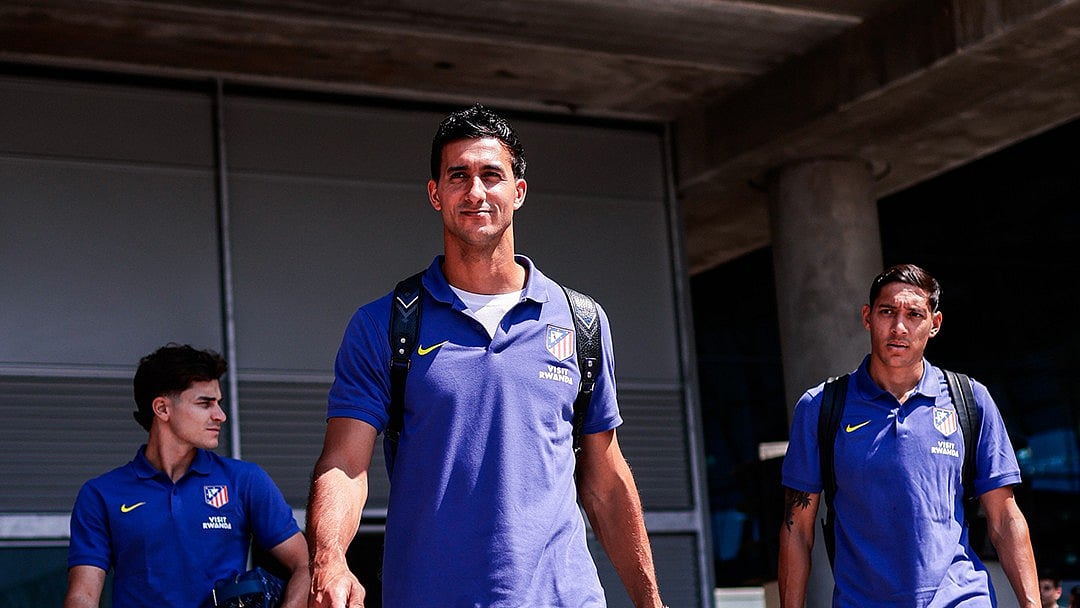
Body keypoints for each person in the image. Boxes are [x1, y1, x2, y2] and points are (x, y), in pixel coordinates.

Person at [306, 104, 665, 608]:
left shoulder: (581, 321)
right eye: (458, 176)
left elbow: (605, 480)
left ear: (517, 192)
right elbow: (345, 463)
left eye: (491, 175)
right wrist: (329, 559)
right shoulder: (383, 326)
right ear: (436, 194)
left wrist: (650, 600)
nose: (475, 192)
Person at [778, 264, 1039, 607]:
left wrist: (1032, 604)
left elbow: (1004, 518)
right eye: (887, 312)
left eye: (914, 314)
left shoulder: (970, 399)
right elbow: (797, 528)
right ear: (867, 317)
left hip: (960, 598)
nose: (899, 327)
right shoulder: (820, 408)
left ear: (935, 324)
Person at [64, 344, 309, 608]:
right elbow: (83, 596)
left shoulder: (245, 481)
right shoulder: (100, 494)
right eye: (205, 403)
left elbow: (305, 565)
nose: (220, 416)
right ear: (162, 409)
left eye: (219, 403)